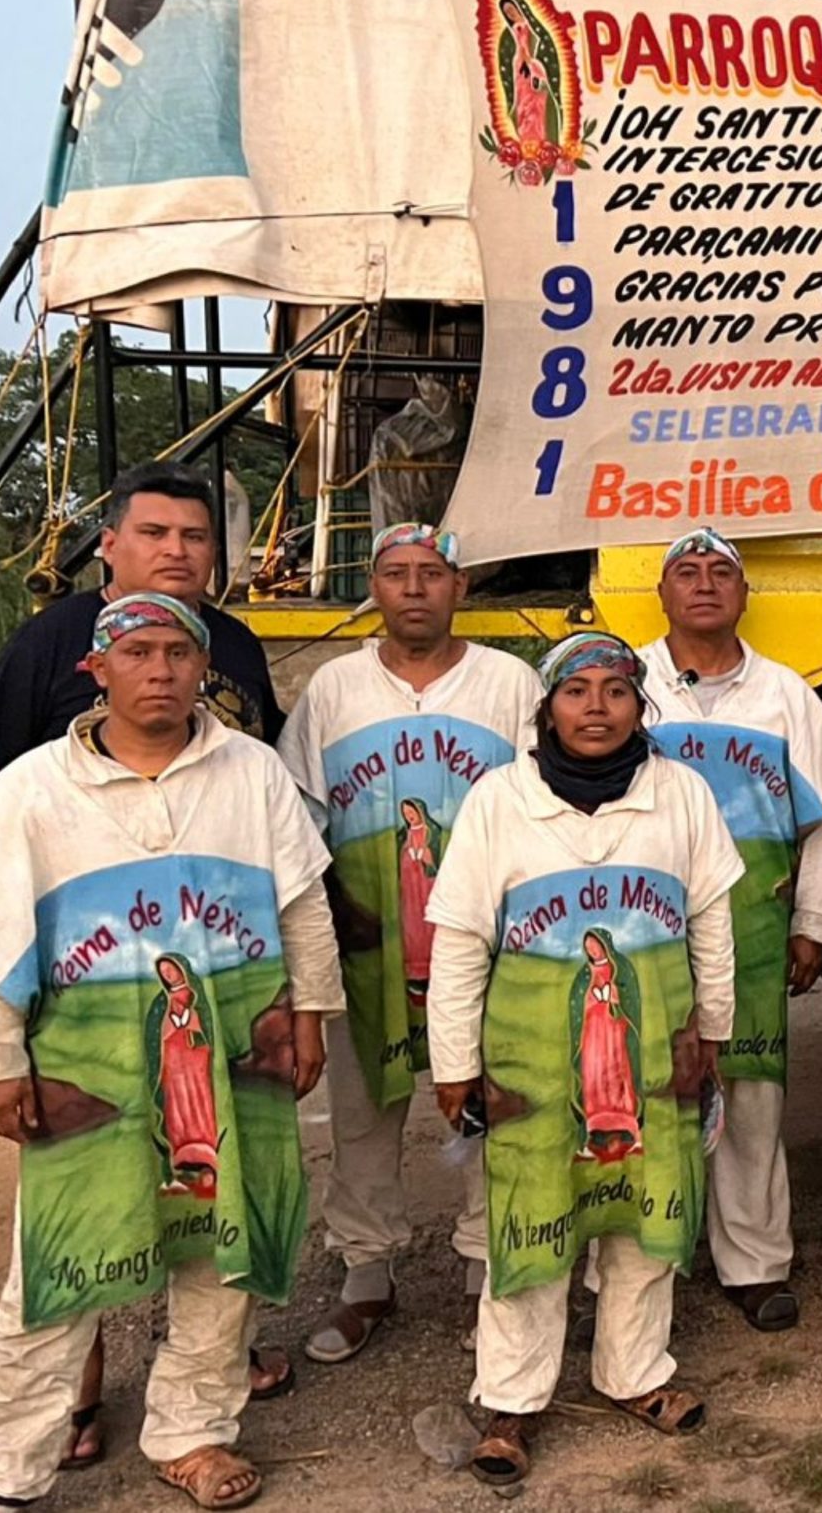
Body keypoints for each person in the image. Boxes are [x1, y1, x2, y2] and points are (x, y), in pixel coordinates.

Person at [0, 460, 293, 1470]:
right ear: (108, 543)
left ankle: (193, 1414)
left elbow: (267, 812)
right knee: (85, 1196)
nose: (177, 550)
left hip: (210, 972)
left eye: (195, 536)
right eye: (154, 532)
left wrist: (298, 995)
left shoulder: (231, 647)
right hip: (78, 975)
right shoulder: (54, 641)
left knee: (204, 1185)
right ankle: (68, 1404)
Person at [0, 593, 338, 1512]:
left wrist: (312, 1014)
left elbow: (303, 904)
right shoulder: (33, 789)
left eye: (178, 653)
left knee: (221, 1243)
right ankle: (3, 1468)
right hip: (88, 1066)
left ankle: (193, 1430)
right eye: (137, 652)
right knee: (62, 1263)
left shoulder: (253, 773)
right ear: (95, 670)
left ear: (201, 669)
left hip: (234, 1060)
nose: (160, 670)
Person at [423, 632, 743, 1487]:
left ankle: (635, 1374)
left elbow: (710, 920)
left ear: (642, 706)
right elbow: (459, 942)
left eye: (615, 690)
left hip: (654, 1056)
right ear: (547, 707)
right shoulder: (499, 801)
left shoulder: (680, 794)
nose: (595, 707)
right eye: (576, 691)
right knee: (528, 1223)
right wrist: (452, 1062)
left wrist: (711, 1028)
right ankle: (512, 1399)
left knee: (645, 1215)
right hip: (532, 1067)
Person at [272, 523, 542, 1364]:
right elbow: (300, 818)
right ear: (374, 587)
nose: (416, 588)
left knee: (486, 1103)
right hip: (370, 937)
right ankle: (366, 1274)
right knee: (362, 1110)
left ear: (461, 586)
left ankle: (487, 1269)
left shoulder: (510, 682)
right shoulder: (333, 690)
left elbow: (542, 807)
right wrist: (329, 918)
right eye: (397, 573)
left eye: (433, 573)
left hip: (482, 942)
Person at [637, 528, 822, 1333]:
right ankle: (642, 1261)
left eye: (719, 571)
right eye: (685, 572)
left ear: (743, 592)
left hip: (753, 931)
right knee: (645, 1093)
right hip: (647, 933)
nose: (702, 584)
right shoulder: (629, 683)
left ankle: (754, 1264)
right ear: (662, 592)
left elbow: (820, 819)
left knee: (753, 1096)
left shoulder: (784, 693)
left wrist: (814, 922)